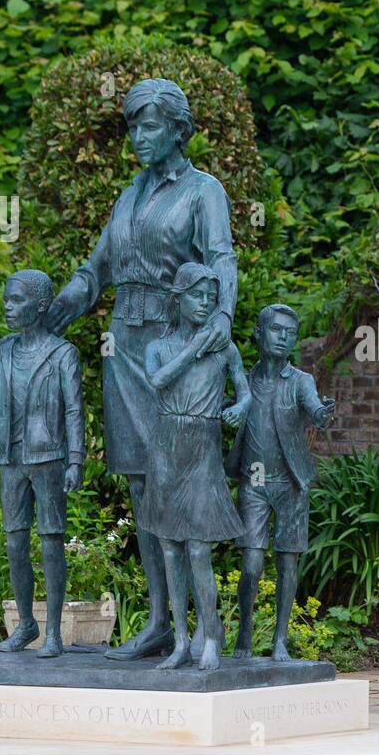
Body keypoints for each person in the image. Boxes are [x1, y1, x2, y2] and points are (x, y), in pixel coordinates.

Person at [44, 78, 238, 661]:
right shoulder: (127, 197)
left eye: (148, 126)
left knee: (175, 479)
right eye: (132, 126)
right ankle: (159, 621)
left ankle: (201, 630)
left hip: (173, 346)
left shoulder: (204, 191)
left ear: (178, 129)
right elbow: (96, 268)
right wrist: (59, 308)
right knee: (138, 480)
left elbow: (221, 256)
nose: (137, 137)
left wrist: (223, 313)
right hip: (124, 344)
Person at [0, 270, 84, 659]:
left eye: (16, 301)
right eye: (7, 301)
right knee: (15, 542)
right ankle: (26, 624)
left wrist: (76, 460)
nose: (9, 307)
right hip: (10, 458)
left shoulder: (62, 354)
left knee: (51, 541)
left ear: (41, 305)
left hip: (48, 456)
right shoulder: (1, 353)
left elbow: (73, 411)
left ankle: (53, 632)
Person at [139, 263, 251, 671]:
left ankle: (210, 633)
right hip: (166, 445)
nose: (205, 303)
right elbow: (158, 380)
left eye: (211, 297)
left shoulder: (225, 348)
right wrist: (193, 347)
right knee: (170, 547)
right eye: (197, 296)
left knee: (199, 548)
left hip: (202, 444)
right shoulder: (157, 346)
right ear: (179, 299)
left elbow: (245, 392)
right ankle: (181, 641)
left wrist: (239, 408)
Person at [226, 304, 335, 660]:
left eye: (290, 332)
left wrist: (322, 414)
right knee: (252, 565)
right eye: (276, 330)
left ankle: (280, 641)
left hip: (290, 484)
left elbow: (315, 408)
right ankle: (244, 634)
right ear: (259, 333)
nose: (284, 337)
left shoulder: (301, 382)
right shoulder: (245, 380)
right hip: (253, 483)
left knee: (288, 562)